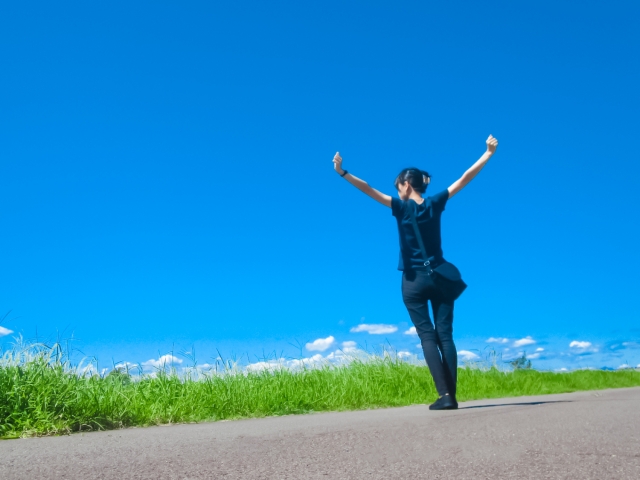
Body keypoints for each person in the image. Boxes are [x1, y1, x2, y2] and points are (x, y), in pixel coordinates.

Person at [332, 135, 499, 410]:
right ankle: (452, 397)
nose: (397, 192)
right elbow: (465, 178)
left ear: (406, 185)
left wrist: (342, 172)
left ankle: (444, 395)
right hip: (441, 277)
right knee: (445, 335)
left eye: (398, 187)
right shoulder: (435, 203)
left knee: (427, 337)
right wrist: (487, 154)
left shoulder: (400, 208)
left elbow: (368, 189)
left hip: (413, 281)